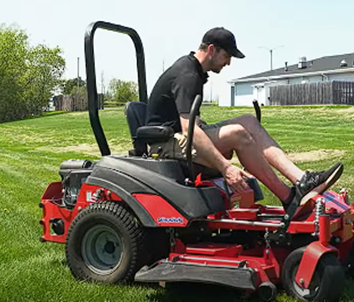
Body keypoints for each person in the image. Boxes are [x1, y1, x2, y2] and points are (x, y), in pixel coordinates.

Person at [146, 27, 343, 210]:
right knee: (238, 134)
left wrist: (215, 139)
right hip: (163, 145)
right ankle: (289, 199)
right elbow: (189, 129)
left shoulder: (196, 72)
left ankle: (302, 180)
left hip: (179, 137)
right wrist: (226, 168)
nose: (229, 62)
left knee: (248, 121)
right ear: (212, 50)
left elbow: (194, 123)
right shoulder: (187, 74)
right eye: (227, 56)